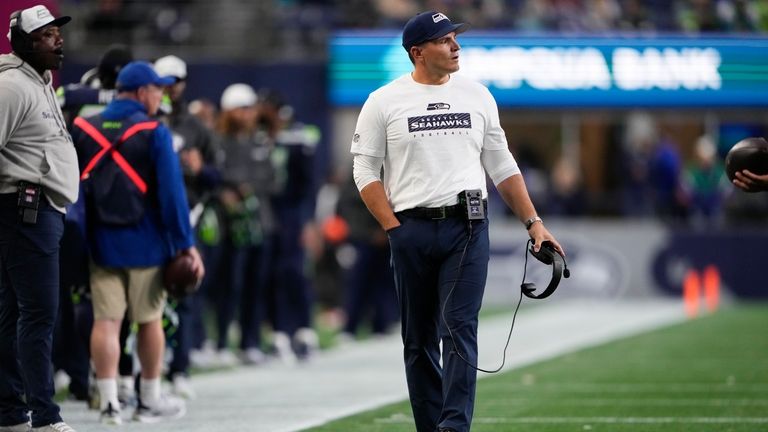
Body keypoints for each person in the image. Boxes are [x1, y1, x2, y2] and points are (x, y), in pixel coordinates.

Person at [350, 11, 565, 432]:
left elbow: (502, 166)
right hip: (409, 228)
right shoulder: (383, 101)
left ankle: (453, 426)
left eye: (455, 38)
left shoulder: (478, 96)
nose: (456, 46)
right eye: (444, 40)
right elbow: (365, 171)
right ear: (418, 52)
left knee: (459, 327)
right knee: (418, 341)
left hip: (466, 228)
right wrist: (393, 228)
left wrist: (533, 222)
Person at [70, 61, 204, 425]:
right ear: (142, 91)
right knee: (149, 322)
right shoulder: (154, 131)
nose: (160, 95)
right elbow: (172, 196)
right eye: (157, 89)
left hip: (99, 243)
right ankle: (148, 400)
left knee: (107, 322)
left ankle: (110, 402)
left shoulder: (83, 127)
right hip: (146, 243)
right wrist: (185, 245)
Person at [0, 6, 79, 432]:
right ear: (27, 43)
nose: (58, 40)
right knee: (39, 316)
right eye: (48, 34)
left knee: (15, 315)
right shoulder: (12, 87)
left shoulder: (40, 82)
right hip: (23, 209)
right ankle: (45, 417)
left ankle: (11, 413)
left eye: (57, 33)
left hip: (37, 210)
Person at [154, 53, 219, 397]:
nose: (170, 88)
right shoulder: (148, 118)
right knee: (147, 296)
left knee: (186, 291)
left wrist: (199, 169)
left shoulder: (196, 128)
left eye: (175, 82)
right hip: (151, 218)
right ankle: (145, 370)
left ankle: (180, 367)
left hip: (189, 215)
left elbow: (216, 176)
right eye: (164, 82)